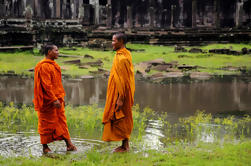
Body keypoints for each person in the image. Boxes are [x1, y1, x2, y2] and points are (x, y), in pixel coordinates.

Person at [33, 44, 77, 154]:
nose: (58, 52)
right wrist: (53, 99)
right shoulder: (43, 66)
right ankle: (45, 147)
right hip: (48, 101)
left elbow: (56, 84)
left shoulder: (53, 65)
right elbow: (46, 85)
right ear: (49, 52)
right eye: (56, 50)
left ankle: (69, 144)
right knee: (45, 123)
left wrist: (60, 97)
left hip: (57, 99)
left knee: (61, 121)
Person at [102, 33, 135, 152]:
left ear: (121, 41)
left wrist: (120, 98)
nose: (112, 43)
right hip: (118, 91)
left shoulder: (122, 58)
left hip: (121, 93)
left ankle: (125, 146)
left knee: (121, 116)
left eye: (114, 41)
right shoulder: (125, 53)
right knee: (123, 116)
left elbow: (124, 80)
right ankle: (125, 144)